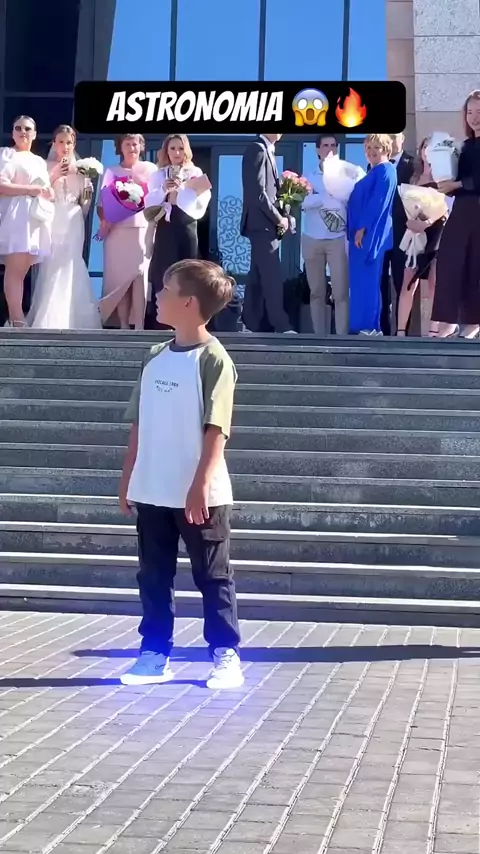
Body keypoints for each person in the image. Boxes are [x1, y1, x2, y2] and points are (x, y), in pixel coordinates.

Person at [119, 258, 243, 690]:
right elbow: (138, 422)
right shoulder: (154, 356)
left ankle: (225, 653)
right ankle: (154, 653)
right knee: (153, 575)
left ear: (189, 303)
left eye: (165, 290)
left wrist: (200, 485)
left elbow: (217, 428)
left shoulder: (214, 359)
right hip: (153, 487)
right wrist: (129, 477)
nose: (157, 296)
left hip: (200, 494)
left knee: (213, 575)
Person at [28, 125, 100, 330]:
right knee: (51, 262)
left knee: (72, 262)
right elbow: (39, 192)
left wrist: (86, 187)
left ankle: (74, 317)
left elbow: (85, 201)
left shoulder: (82, 168)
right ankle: (48, 316)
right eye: (61, 142)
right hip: (52, 216)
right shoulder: (45, 165)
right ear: (54, 143)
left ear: (74, 144)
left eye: (69, 142)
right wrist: (54, 175)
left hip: (73, 218)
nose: (65, 146)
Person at [144, 133, 211, 331]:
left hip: (187, 224)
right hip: (166, 225)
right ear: (166, 151)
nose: (176, 153)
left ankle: (188, 319)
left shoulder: (194, 171)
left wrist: (182, 189)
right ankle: (163, 320)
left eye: (180, 148)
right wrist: (163, 190)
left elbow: (201, 201)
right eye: (172, 148)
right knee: (164, 270)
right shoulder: (158, 175)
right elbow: (149, 203)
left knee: (188, 270)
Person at [430, 90, 480, 339]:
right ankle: (447, 322)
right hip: (461, 211)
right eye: (470, 112)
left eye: (479, 112)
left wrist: (457, 184)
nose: (474, 117)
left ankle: (473, 323)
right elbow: (454, 181)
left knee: (476, 266)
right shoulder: (465, 146)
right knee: (450, 263)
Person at [0, 116, 53, 327]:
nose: (23, 132)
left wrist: (46, 193)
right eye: (18, 128)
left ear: (34, 134)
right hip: (16, 217)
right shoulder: (7, 154)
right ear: (13, 132)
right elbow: (1, 186)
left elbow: (44, 188)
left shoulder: (39, 161)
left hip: (34, 218)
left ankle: (16, 319)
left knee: (21, 270)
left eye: (27, 128)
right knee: (14, 268)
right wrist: (31, 190)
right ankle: (17, 319)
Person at [240, 133, 295, 333]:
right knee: (272, 277)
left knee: (257, 276)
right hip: (261, 225)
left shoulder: (267, 150)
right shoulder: (257, 149)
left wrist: (285, 212)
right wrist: (278, 219)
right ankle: (281, 324)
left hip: (266, 226)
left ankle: (248, 323)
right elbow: (258, 193)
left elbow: (270, 193)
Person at [97, 133, 150, 330]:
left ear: (141, 147)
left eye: (135, 144)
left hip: (141, 230)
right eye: (127, 144)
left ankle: (139, 325)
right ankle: (123, 325)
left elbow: (156, 199)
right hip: (117, 232)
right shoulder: (111, 171)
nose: (131, 148)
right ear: (120, 147)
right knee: (120, 280)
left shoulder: (150, 169)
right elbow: (101, 204)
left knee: (139, 276)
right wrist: (106, 220)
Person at [396, 137, 447, 338]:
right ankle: (401, 331)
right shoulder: (413, 176)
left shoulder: (444, 176)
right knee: (408, 281)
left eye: (431, 147)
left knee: (434, 282)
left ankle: (433, 331)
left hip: (437, 231)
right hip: (415, 234)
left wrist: (427, 222)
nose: (427, 150)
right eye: (425, 146)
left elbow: (446, 206)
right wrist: (410, 222)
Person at [347, 134, 397, 335]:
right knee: (361, 282)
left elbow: (378, 203)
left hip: (368, 235)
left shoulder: (386, 170)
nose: (371, 152)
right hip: (360, 236)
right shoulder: (373, 171)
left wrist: (362, 228)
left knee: (368, 282)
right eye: (368, 148)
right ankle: (361, 326)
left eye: (376, 147)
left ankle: (369, 326)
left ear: (386, 149)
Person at [301, 134, 349, 335]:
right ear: (317, 150)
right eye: (325, 145)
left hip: (337, 240)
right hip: (312, 239)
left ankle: (342, 337)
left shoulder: (347, 173)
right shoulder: (308, 176)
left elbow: (352, 200)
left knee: (340, 292)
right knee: (316, 292)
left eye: (333, 145)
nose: (330, 148)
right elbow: (302, 203)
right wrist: (324, 197)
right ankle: (319, 337)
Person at [379, 132, 415, 335]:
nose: (391, 141)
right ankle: (382, 330)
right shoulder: (376, 164)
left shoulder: (413, 164)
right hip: (381, 235)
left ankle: (402, 332)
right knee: (381, 284)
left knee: (403, 283)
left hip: (404, 234)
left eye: (394, 136)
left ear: (402, 138)